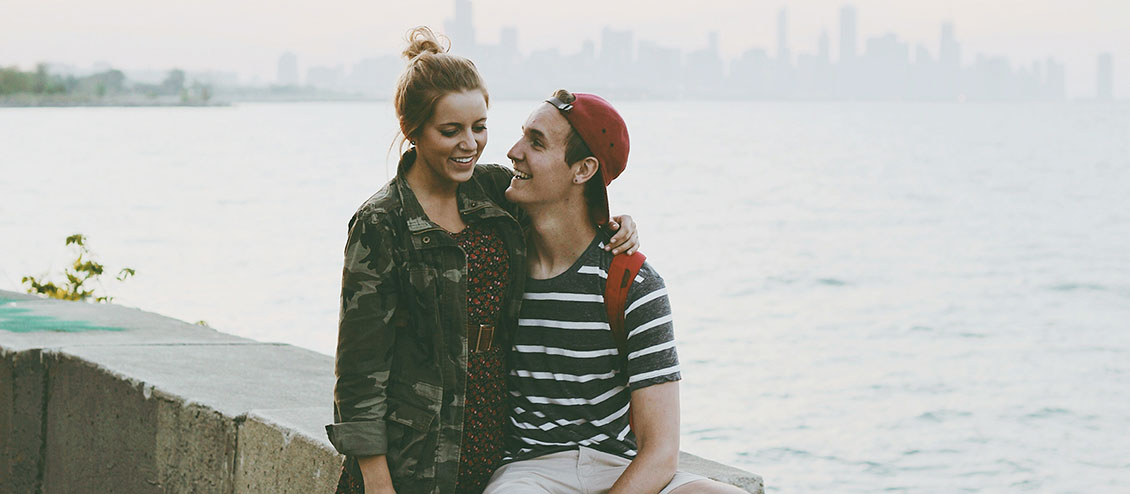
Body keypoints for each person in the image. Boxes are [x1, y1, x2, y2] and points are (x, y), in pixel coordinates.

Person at [325, 29, 639, 494]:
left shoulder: (495, 191)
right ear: (412, 131)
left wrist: (615, 223)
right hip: (413, 455)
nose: (469, 143)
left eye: (479, 127)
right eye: (450, 131)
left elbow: (563, 208)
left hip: (498, 444)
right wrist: (377, 482)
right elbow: (359, 370)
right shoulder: (382, 223)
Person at [483, 90, 746, 494]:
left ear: (583, 170)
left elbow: (660, 452)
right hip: (529, 472)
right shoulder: (500, 264)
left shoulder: (634, 283)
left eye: (536, 142)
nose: (513, 151)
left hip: (616, 465)